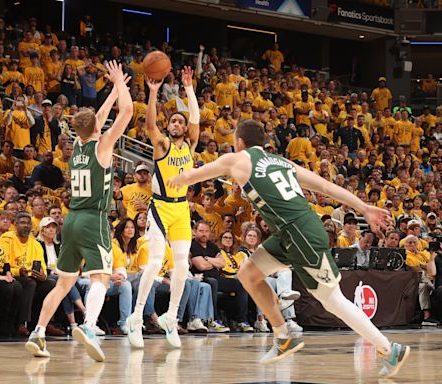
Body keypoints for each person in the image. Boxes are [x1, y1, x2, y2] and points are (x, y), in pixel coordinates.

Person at [167, 119, 409, 379]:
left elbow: (193, 175)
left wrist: (176, 178)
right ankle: (283, 336)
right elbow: (326, 187)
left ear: (239, 142)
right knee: (248, 274)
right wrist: (363, 207)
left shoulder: (236, 159)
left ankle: (389, 349)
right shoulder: (283, 162)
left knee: (333, 301)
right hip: (289, 231)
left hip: (300, 233)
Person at [25, 61, 132, 362]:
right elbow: (126, 113)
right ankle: (88, 326)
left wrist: (112, 88)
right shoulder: (103, 146)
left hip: (69, 219)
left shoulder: (77, 144)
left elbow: (94, 119)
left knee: (63, 284)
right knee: (101, 278)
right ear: (99, 129)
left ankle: (39, 332)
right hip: (93, 218)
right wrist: (121, 86)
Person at [127, 67, 199, 349]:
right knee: (156, 262)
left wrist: (190, 89)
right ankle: (135, 317)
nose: (178, 124)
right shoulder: (162, 145)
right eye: (174, 122)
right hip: (160, 207)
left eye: (181, 122)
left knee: (182, 265)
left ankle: (171, 316)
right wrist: (153, 92)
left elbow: (196, 119)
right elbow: (149, 125)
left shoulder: (190, 145)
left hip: (181, 209)